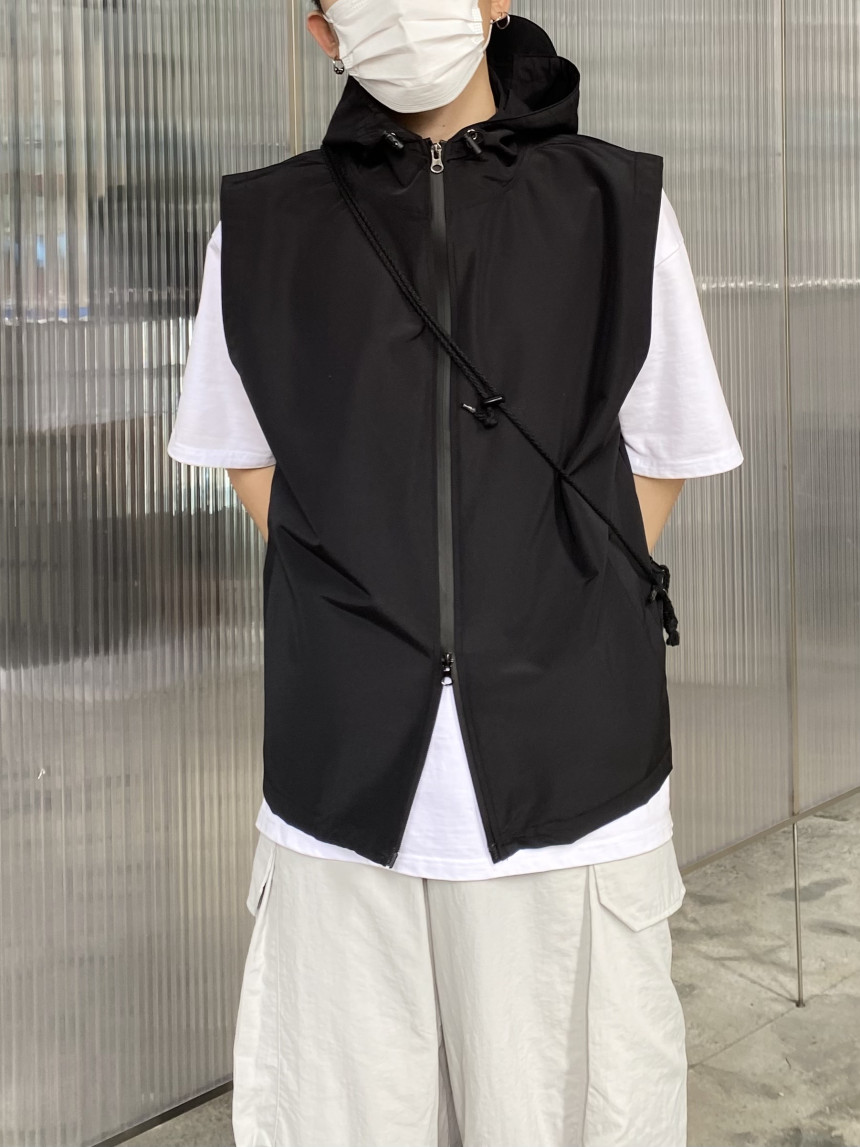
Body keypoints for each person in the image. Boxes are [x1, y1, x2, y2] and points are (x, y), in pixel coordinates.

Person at [167, 2, 744, 1144]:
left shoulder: (615, 206)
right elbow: (245, 452)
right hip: (340, 789)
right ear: (323, 33)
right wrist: (372, 594)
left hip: (570, 784)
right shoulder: (266, 224)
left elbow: (663, 450)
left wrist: (540, 596)